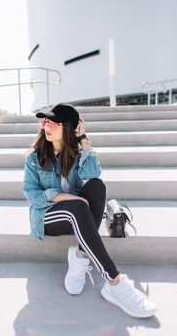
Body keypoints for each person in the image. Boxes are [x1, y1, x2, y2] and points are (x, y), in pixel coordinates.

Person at [23, 103, 157, 318]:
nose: (46, 126)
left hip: (76, 212)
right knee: (76, 206)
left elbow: (93, 172)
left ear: (68, 128)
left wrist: (83, 141)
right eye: (45, 121)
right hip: (47, 216)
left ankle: (82, 254)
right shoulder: (34, 158)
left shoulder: (75, 152)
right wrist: (67, 197)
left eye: (53, 123)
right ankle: (115, 281)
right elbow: (32, 195)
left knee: (97, 185)